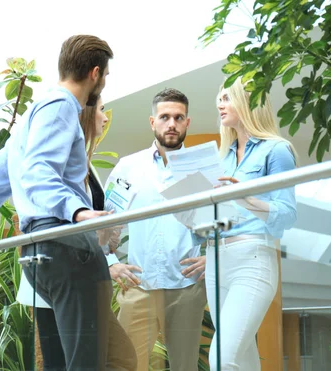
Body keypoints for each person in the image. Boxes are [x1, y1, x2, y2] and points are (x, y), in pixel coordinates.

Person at [0, 35, 136, 371]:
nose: (103, 83)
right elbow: (39, 172)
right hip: (68, 247)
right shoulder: (63, 106)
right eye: (105, 77)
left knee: (59, 366)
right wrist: (76, 210)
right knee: (86, 365)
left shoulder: (27, 124)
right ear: (95, 73)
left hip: (37, 253)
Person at [16, 96, 125, 370]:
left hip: (81, 270)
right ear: (87, 115)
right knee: (59, 362)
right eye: (101, 110)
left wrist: (108, 240)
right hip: (58, 268)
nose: (105, 117)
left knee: (81, 360)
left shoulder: (87, 165)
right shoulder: (60, 161)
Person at [104, 88, 207, 371]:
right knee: (126, 365)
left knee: (185, 367)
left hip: (186, 287)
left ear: (188, 122)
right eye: (164, 117)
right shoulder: (129, 167)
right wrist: (110, 263)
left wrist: (212, 257)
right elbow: (104, 221)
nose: (171, 123)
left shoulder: (202, 168)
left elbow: (221, 221)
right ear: (153, 122)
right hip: (139, 286)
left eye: (178, 117)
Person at [208, 79, 297, 371]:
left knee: (222, 359)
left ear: (246, 102)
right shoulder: (220, 158)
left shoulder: (277, 150)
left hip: (253, 258)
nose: (220, 105)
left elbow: (287, 215)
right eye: (219, 99)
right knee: (242, 359)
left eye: (226, 98)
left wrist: (247, 200)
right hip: (215, 260)